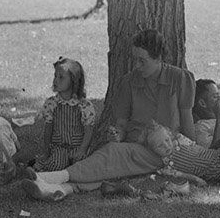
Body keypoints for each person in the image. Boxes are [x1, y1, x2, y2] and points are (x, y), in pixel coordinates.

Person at [22, 28, 195, 201]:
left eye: (142, 61)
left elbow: (187, 122)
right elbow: (121, 125)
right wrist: (117, 134)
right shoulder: (128, 82)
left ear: (158, 58)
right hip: (136, 147)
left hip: (166, 150)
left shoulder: (180, 78)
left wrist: (194, 153)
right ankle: (60, 189)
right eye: (135, 60)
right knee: (113, 167)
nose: (137, 66)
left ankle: (50, 178)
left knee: (113, 155)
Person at [33, 57, 96, 171]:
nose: (56, 80)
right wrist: (46, 150)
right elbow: (48, 129)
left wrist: (82, 149)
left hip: (78, 148)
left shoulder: (84, 105)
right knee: (57, 164)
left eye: (61, 77)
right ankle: (40, 172)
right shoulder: (52, 103)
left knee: (81, 167)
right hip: (59, 148)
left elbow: (88, 130)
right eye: (55, 76)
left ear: (74, 81)